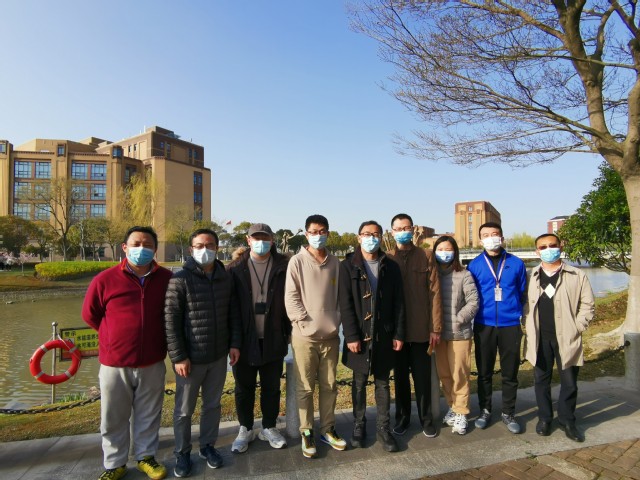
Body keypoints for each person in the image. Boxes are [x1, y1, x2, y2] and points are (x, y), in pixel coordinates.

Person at [82, 226, 172, 480]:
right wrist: (113, 337)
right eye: (136, 244)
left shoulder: (167, 279)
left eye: (147, 245)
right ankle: (114, 463)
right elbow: (90, 314)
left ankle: (146, 457)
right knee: (113, 416)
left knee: (149, 414)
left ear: (155, 249)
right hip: (115, 363)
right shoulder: (105, 279)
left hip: (152, 361)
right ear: (125, 247)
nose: (141, 249)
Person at [164, 228, 241, 478]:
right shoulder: (179, 279)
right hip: (190, 359)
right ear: (191, 249)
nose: (204, 250)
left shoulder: (225, 277)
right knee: (184, 410)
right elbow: (171, 322)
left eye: (209, 245)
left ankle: (208, 446)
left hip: (218, 356)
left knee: (212, 405)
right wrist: (178, 356)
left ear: (217, 248)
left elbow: (233, 314)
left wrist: (234, 344)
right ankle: (182, 452)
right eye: (199, 246)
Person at [284, 214, 347, 459]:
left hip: (331, 336)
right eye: (313, 231)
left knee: (330, 385)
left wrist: (336, 320)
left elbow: (341, 296)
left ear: (327, 233)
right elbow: (291, 297)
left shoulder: (336, 263)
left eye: (322, 231)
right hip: (304, 337)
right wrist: (304, 323)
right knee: (305, 388)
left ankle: (328, 428)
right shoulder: (297, 261)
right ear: (306, 233)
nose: (317, 235)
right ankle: (306, 430)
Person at [340, 220, 405, 452]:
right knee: (358, 383)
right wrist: (351, 336)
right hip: (359, 336)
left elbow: (399, 303)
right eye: (367, 234)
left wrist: (398, 333)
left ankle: (383, 428)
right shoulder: (348, 266)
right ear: (358, 237)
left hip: (384, 334)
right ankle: (359, 425)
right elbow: (345, 303)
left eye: (376, 234)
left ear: (381, 237)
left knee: (382, 383)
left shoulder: (391, 266)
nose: (371, 238)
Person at [524, 233, 594, 442]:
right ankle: (545, 418)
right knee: (541, 381)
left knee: (569, 382)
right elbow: (523, 302)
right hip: (540, 337)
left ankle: (567, 420)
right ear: (537, 252)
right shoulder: (530, 276)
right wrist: (526, 323)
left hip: (567, 338)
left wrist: (577, 327)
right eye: (543, 247)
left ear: (560, 246)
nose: (548, 250)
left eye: (552, 245)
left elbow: (588, 305)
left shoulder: (577, 275)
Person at [227, 223, 290, 454]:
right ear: (248, 240)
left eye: (265, 238)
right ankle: (245, 428)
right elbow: (230, 308)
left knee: (271, 387)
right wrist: (233, 342)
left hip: (274, 336)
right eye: (256, 238)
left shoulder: (284, 266)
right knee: (244, 388)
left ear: (272, 240)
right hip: (245, 340)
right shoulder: (235, 269)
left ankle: (269, 427)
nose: (261, 242)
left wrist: (288, 332)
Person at [467, 222, 527, 434]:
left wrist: (516, 312)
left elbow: (522, 292)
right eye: (486, 235)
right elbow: (471, 296)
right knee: (484, 372)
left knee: (510, 373)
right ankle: (485, 410)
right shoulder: (474, 265)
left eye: (495, 234)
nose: (491, 238)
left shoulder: (516, 263)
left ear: (501, 237)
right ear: (480, 240)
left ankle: (508, 412)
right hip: (484, 324)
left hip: (511, 325)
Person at [386, 213, 442, 437]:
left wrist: (435, 327)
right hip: (397, 332)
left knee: (422, 379)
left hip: (421, 330)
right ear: (392, 232)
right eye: (398, 229)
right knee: (400, 379)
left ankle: (426, 420)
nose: (403, 232)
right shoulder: (387, 258)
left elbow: (435, 293)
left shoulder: (426, 256)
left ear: (413, 229)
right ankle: (402, 419)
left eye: (406, 228)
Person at [433, 235, 479, 435]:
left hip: (459, 333)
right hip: (438, 334)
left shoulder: (464, 275)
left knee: (459, 374)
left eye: (448, 249)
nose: (444, 253)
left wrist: (459, 319)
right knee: (444, 374)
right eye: (440, 249)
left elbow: (473, 302)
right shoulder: (432, 274)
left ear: (455, 252)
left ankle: (462, 412)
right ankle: (453, 407)